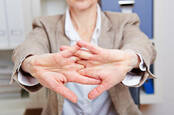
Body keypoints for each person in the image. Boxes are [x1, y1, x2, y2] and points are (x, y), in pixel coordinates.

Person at [11, 0, 156, 115]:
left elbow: (143, 44)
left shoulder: (124, 21)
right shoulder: (45, 25)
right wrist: (30, 63)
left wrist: (129, 58)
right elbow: (27, 47)